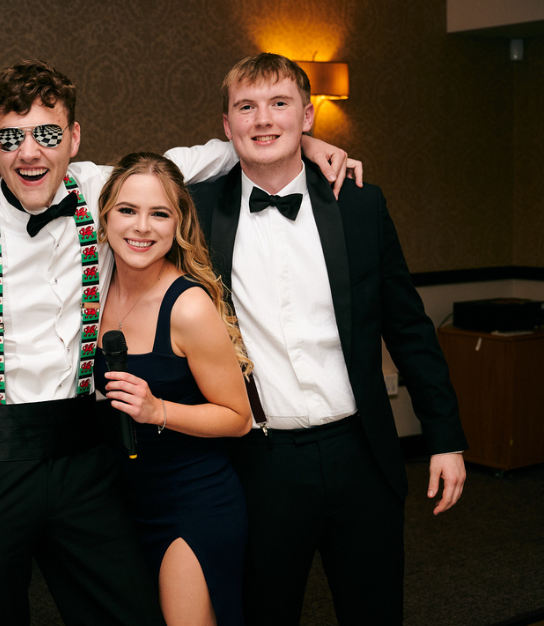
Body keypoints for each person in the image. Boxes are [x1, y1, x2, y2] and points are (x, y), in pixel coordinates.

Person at [0, 60, 357, 626]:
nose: (30, 152)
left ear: (74, 138)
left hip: (86, 458)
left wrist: (304, 142)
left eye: (48, 134)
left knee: (131, 612)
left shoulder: (102, 190)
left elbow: (209, 154)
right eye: (11, 137)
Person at [189, 53, 468, 626]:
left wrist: (445, 437)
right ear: (226, 126)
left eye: (279, 104)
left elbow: (409, 326)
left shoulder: (360, 204)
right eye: (247, 107)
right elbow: (106, 186)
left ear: (308, 116)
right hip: (258, 464)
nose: (263, 120)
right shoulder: (195, 212)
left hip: (361, 455)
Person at [94, 152, 252, 626]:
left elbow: (238, 417)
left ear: (178, 223)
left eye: (159, 213)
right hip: (117, 502)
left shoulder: (188, 306)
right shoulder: (95, 290)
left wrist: (157, 409)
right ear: (104, 218)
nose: (141, 227)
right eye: (127, 210)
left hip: (191, 502)